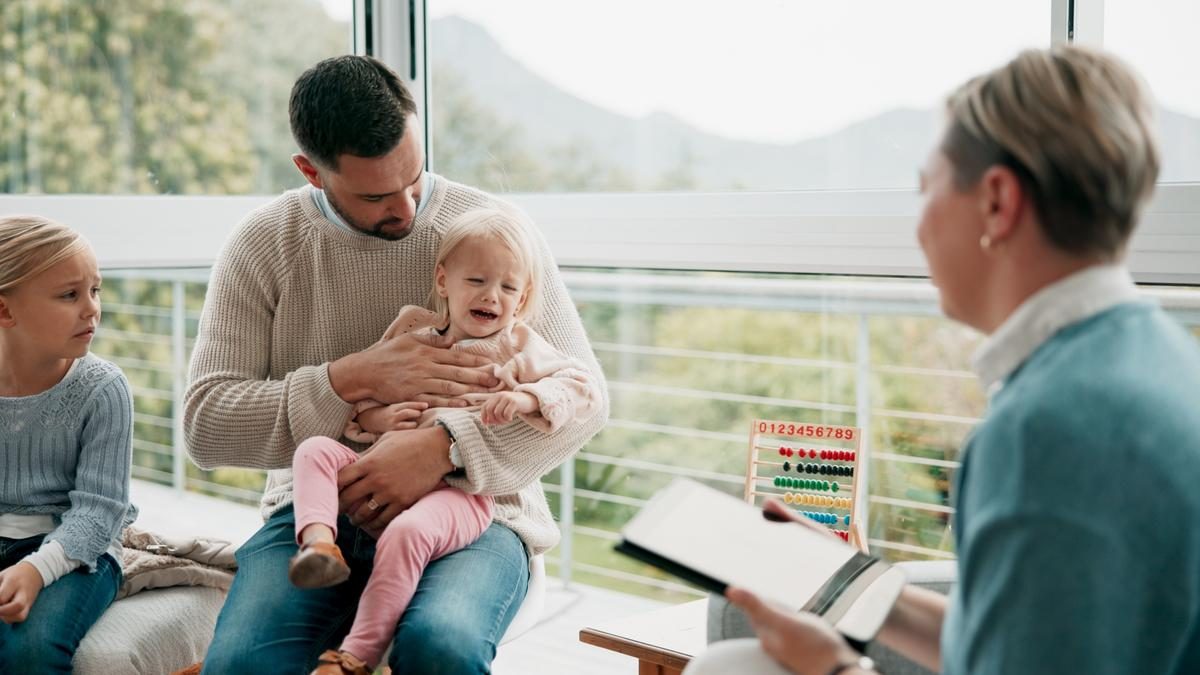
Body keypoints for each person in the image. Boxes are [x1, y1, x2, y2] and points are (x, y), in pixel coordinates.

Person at [684, 45, 1200, 675]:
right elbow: (1019, 641)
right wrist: (852, 582)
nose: (919, 225)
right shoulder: (1158, 361)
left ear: (997, 202)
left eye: (926, 189)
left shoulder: (1049, 430)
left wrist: (841, 670)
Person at [184, 55, 608, 674]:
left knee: (441, 645)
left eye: (415, 178)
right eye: (377, 195)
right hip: (317, 517)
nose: (409, 212)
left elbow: (584, 400)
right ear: (311, 172)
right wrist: (352, 378)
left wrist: (442, 448)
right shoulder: (263, 243)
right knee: (241, 665)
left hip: (478, 511)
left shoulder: (491, 234)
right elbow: (207, 424)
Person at [290, 207, 602, 675]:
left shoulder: (518, 345)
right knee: (313, 451)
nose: (491, 296)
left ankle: (356, 655)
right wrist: (382, 415)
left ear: (522, 299)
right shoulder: (410, 332)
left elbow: (583, 388)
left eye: (508, 287)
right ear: (443, 281)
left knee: (406, 533)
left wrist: (527, 399)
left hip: (460, 494)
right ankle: (318, 545)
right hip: (379, 472)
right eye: (476, 280)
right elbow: (360, 406)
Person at [0, 215, 137, 673]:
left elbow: (100, 512)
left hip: (77, 546)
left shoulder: (103, 389)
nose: (92, 309)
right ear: (4, 311)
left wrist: (38, 569)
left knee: (30, 652)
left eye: (94, 290)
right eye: (69, 295)